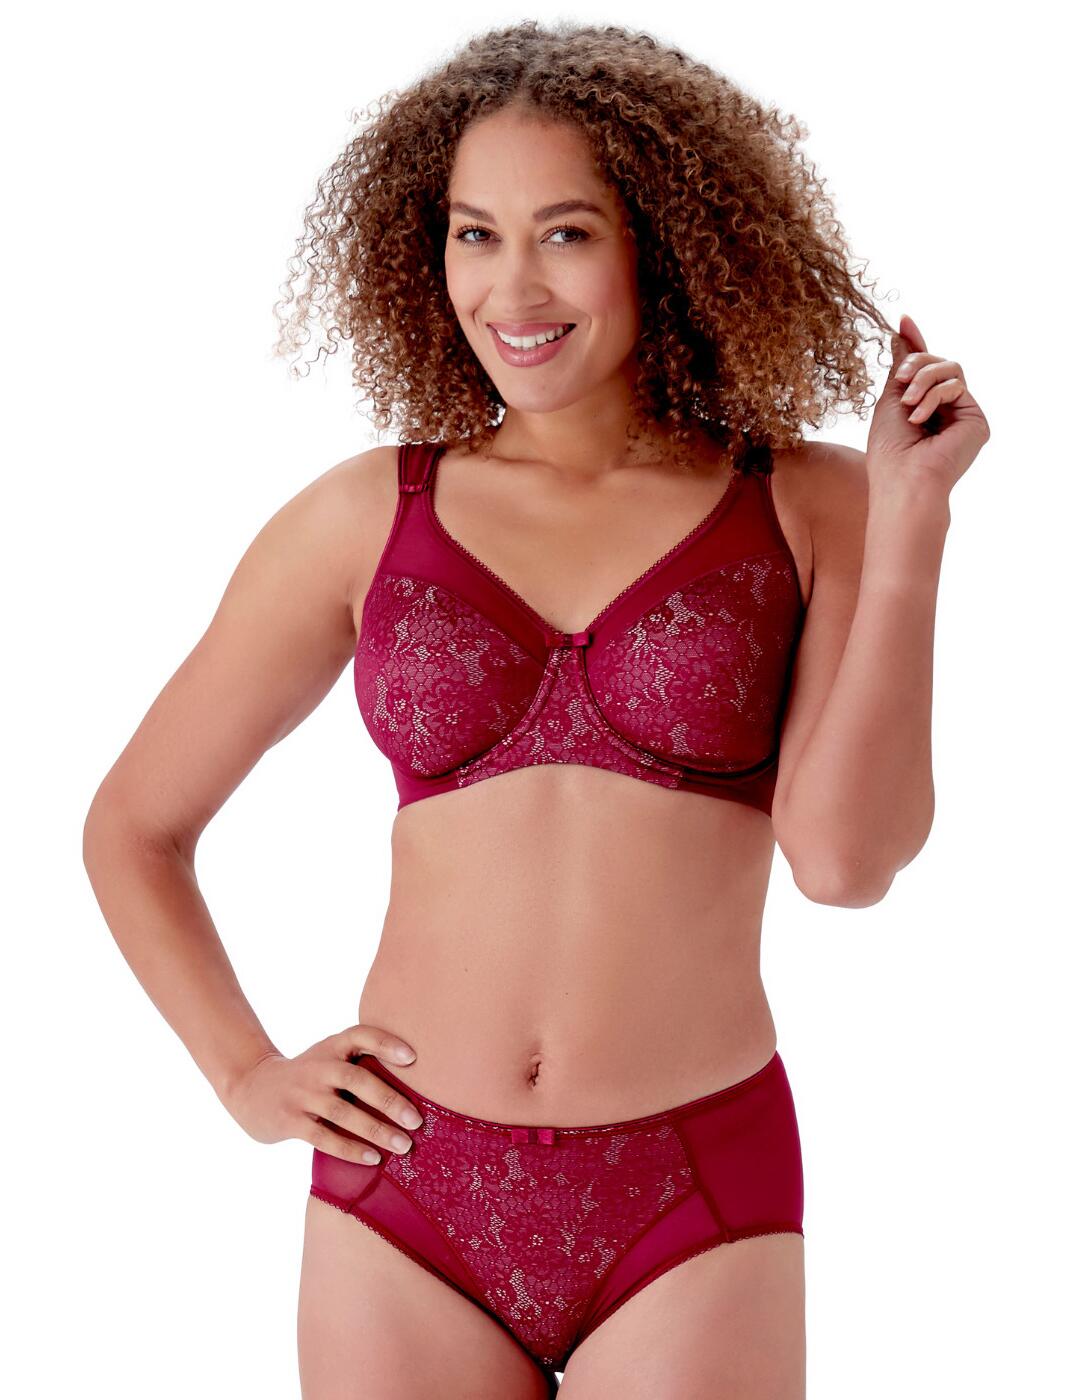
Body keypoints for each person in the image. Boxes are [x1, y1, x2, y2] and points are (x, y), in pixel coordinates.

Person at [82, 20, 989, 1400]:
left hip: (691, 1192)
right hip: (405, 1188)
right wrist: (245, 1075)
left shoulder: (805, 503)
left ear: (664, 245)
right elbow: (134, 826)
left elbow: (844, 863)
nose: (512, 286)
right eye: (474, 234)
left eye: (566, 233)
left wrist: (912, 523)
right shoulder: (361, 517)